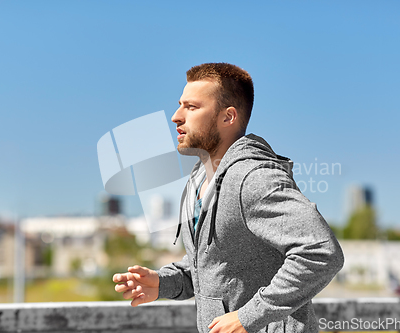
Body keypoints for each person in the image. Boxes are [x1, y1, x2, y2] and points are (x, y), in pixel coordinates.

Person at [113, 63, 344, 333]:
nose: (176, 116)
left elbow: (321, 252)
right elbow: (215, 267)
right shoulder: (199, 180)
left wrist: (249, 316)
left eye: (192, 107)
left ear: (228, 117)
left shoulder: (253, 177)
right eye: (179, 105)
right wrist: (163, 283)